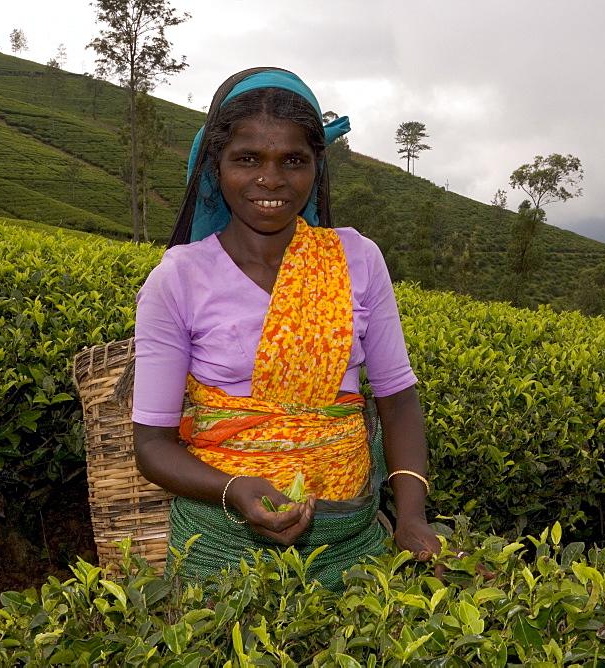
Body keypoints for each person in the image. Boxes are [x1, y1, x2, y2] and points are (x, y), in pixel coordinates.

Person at [131, 67, 441, 591]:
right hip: (220, 538)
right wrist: (236, 490)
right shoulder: (177, 278)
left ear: (316, 167)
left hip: (350, 534)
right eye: (247, 158)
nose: (271, 180)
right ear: (216, 165)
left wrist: (411, 517)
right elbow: (152, 445)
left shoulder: (358, 259)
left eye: (293, 161)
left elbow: (398, 398)